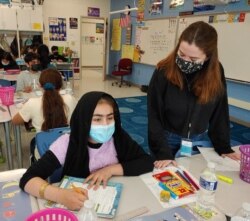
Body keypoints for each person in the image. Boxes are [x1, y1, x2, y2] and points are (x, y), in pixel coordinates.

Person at [19, 91, 154, 210]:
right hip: (78, 206)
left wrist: (110, 170)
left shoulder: (118, 137)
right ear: (84, 120)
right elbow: (27, 179)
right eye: (97, 119)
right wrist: (60, 195)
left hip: (110, 201)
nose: (105, 124)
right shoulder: (67, 143)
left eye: (110, 117)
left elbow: (146, 161)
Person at [147, 21, 241, 169]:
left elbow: (220, 111)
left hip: (198, 138)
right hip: (167, 138)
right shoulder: (163, 70)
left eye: (193, 59)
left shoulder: (216, 72)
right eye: (181, 54)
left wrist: (223, 147)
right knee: (164, 180)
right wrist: (162, 152)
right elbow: (154, 115)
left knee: (193, 177)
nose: (185, 62)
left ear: (208, 57)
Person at [12, 68, 77, 132]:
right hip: (67, 140)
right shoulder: (70, 99)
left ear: (39, 85)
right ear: (61, 85)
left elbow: (15, 121)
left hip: (44, 142)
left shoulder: (32, 103)